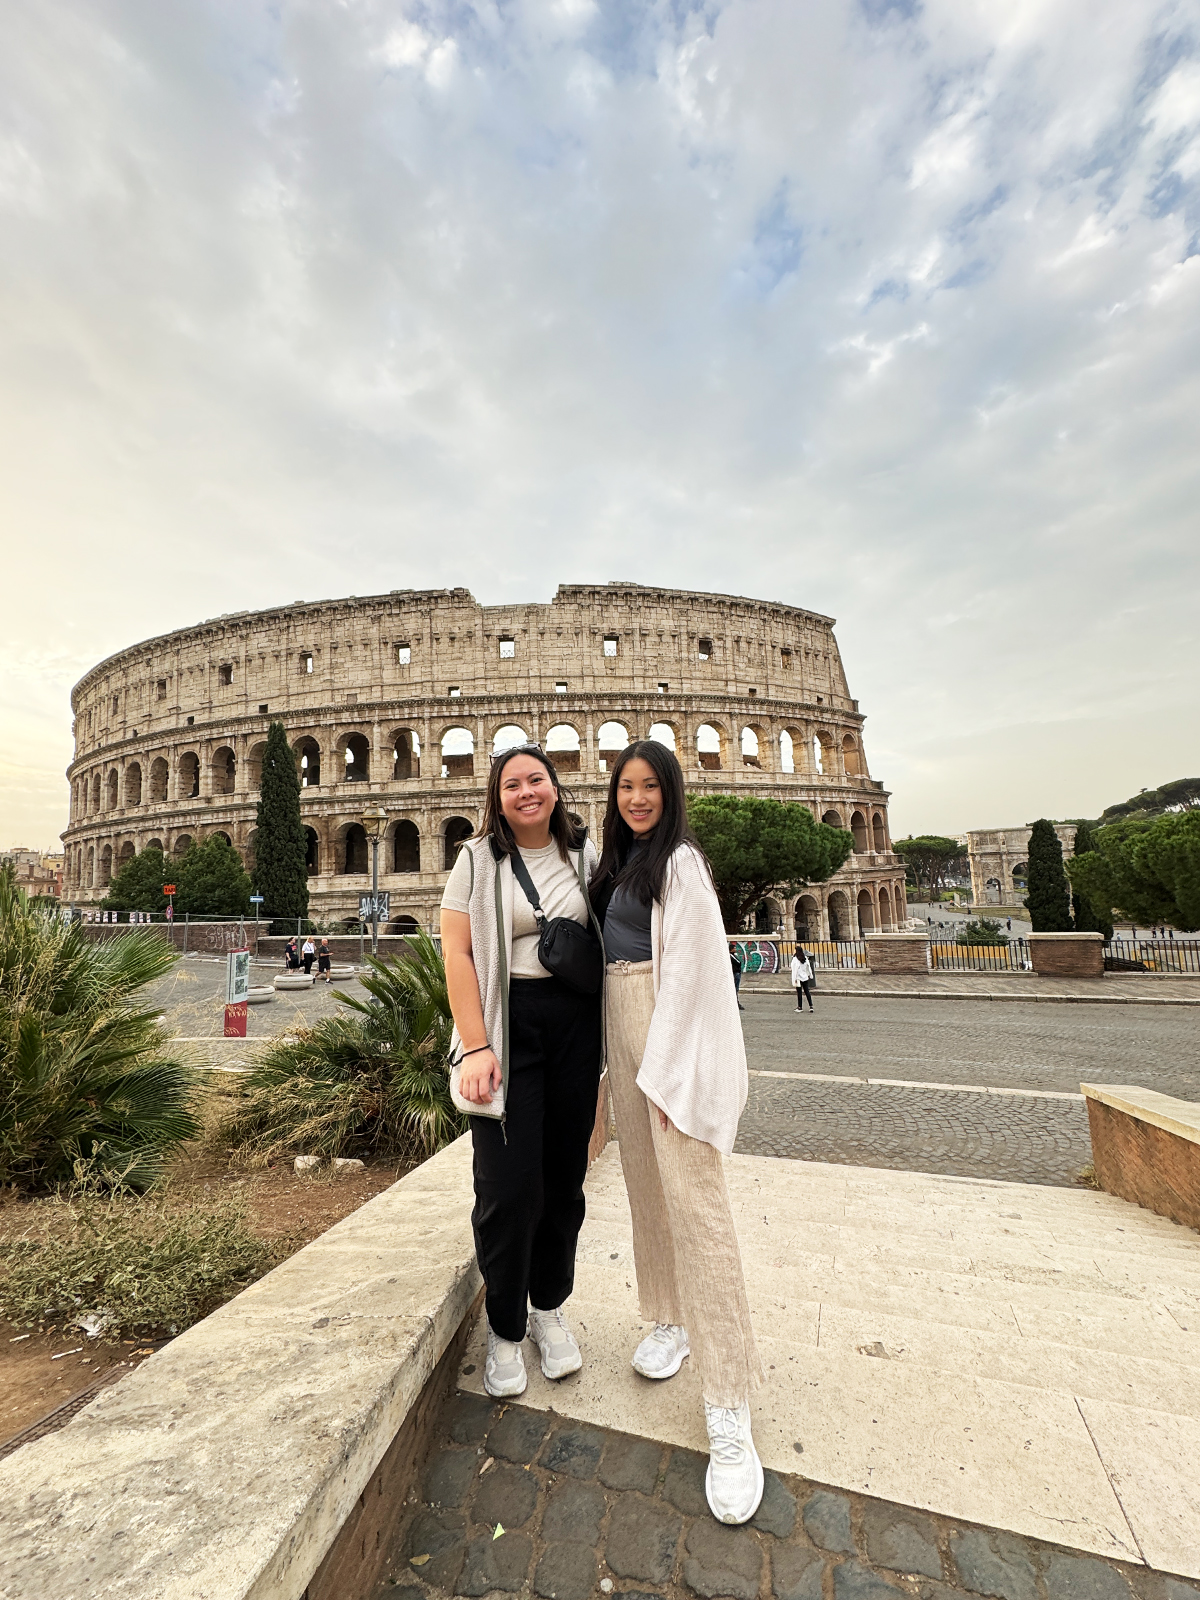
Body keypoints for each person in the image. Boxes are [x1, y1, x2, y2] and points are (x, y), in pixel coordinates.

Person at [590, 740, 764, 1526]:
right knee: (646, 1192)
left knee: (698, 1207)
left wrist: (666, 1071)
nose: (636, 798)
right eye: (625, 786)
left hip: (668, 1027)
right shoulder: (614, 860)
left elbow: (692, 973)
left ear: (670, 793)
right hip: (619, 1022)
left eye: (649, 786)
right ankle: (668, 1319)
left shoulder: (681, 863)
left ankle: (730, 1407)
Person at [440, 744, 603, 1402]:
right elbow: (455, 951)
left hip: (575, 1028)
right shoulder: (476, 859)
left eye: (537, 779)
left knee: (564, 1182)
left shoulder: (589, 854)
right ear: (497, 798)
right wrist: (475, 1048)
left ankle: (548, 1308)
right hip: (505, 1027)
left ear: (556, 788)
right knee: (508, 1189)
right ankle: (504, 1330)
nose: (527, 791)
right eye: (512, 784)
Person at [790, 946, 814, 1011]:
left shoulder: (795, 959)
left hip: (798, 978)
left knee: (799, 993)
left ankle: (800, 1007)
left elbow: (793, 969)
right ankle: (811, 1006)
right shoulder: (805, 958)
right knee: (807, 992)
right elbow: (808, 967)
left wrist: (794, 979)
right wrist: (810, 975)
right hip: (805, 977)